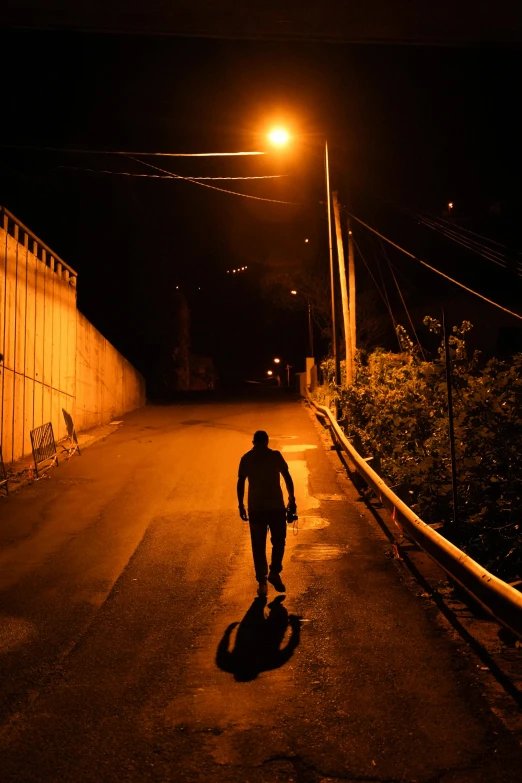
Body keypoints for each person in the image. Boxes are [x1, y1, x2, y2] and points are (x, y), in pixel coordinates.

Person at [237, 430, 296, 596]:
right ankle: (275, 571)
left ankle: (262, 583)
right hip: (276, 507)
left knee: (258, 546)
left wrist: (241, 505)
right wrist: (292, 500)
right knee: (279, 541)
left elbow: (241, 482)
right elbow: (287, 477)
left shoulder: (246, 458)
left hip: (256, 509)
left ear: (253, 442)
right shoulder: (275, 456)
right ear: (267, 442)